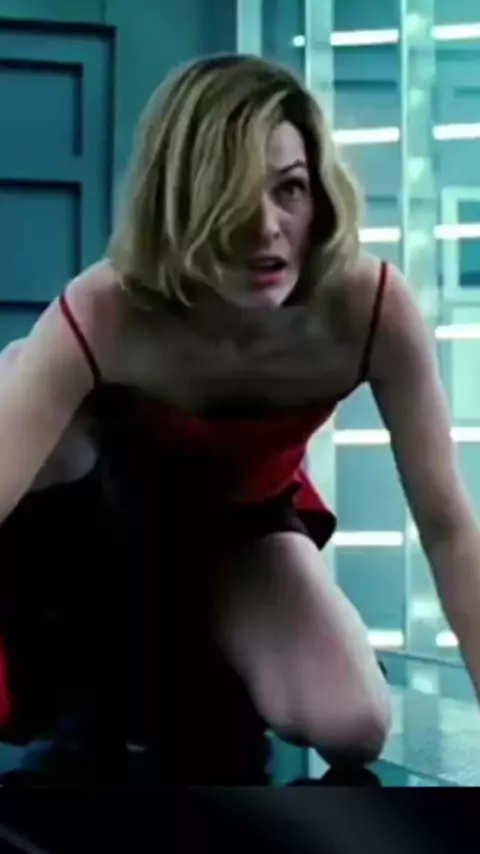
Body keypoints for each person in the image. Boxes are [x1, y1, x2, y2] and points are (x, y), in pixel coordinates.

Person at [1, 52, 480, 771]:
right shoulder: (103, 308)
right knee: (33, 401)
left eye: (290, 189)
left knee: (354, 724)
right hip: (90, 523)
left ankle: (209, 652)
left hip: (240, 522)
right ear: (177, 202)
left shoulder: (371, 307)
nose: (265, 227)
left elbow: (449, 529)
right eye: (229, 195)